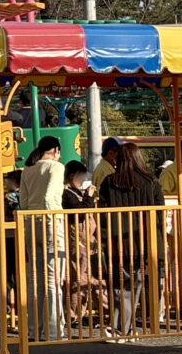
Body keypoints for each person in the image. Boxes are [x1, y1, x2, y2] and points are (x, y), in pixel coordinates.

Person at [98, 143, 165, 337]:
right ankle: (138, 327)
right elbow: (160, 216)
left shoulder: (109, 182)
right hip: (147, 242)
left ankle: (121, 327)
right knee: (140, 283)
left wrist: (104, 239)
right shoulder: (151, 182)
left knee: (122, 285)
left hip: (119, 243)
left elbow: (102, 215)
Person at [20, 136, 66, 342]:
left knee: (34, 277)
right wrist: (51, 215)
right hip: (50, 221)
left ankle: (33, 330)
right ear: (56, 149)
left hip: (30, 222)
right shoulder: (56, 167)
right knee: (52, 278)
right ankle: (53, 330)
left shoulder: (27, 170)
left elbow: (23, 200)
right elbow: (49, 196)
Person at [62, 160, 105, 328]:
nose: (84, 179)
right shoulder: (66, 193)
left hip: (90, 239)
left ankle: (85, 310)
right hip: (77, 240)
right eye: (81, 176)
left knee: (92, 276)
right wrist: (88, 195)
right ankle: (73, 313)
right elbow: (79, 212)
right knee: (78, 276)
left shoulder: (77, 192)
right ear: (72, 176)